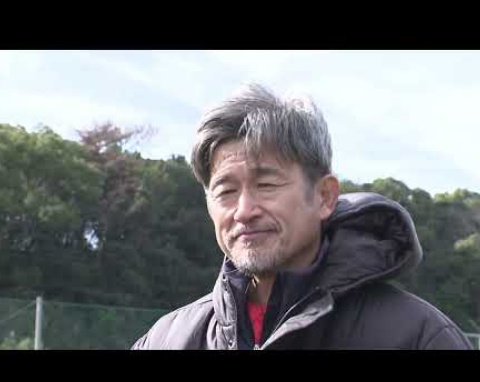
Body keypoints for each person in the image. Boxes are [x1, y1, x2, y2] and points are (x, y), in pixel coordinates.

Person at [131, 83, 473, 350]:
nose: (244, 211)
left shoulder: (417, 337)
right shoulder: (167, 340)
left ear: (324, 196)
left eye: (266, 185)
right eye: (226, 191)